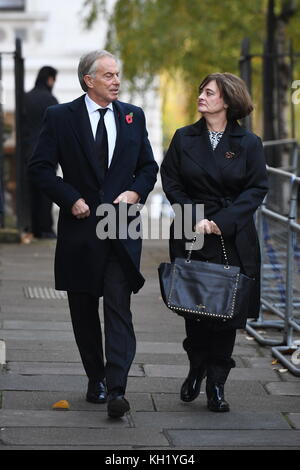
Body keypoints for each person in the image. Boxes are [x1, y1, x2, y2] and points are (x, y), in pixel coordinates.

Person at [28, 50, 158, 418]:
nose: (117, 81)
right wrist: (70, 200)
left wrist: (135, 192)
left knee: (119, 307)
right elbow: (39, 169)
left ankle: (117, 387)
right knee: (83, 311)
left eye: (118, 75)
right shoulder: (59, 117)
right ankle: (95, 378)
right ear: (89, 80)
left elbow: (148, 167)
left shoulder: (134, 116)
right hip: (80, 232)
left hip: (121, 230)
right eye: (109, 76)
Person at [160, 73, 268, 412]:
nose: (202, 97)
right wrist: (195, 219)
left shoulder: (249, 143)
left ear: (227, 101)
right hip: (192, 232)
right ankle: (196, 368)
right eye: (202, 91)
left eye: (209, 93)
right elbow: (171, 182)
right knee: (195, 308)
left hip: (232, 235)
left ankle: (217, 386)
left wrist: (220, 222)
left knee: (227, 312)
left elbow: (256, 188)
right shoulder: (183, 138)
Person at [23, 66, 58, 239]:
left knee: (29, 191)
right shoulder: (51, 100)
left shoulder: (26, 98)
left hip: (27, 150)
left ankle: (32, 226)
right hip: (47, 151)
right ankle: (45, 228)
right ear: (50, 79)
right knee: (47, 190)